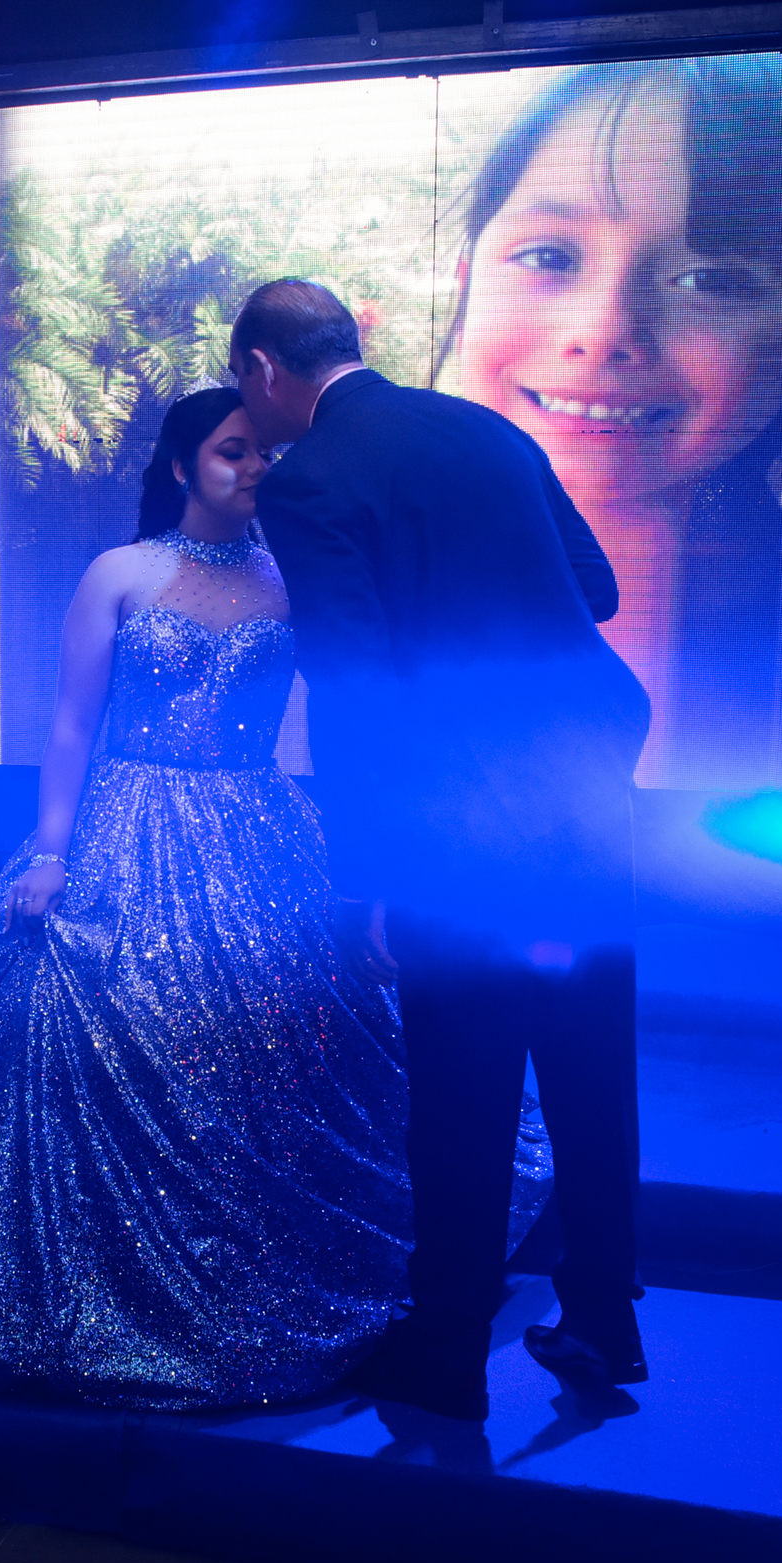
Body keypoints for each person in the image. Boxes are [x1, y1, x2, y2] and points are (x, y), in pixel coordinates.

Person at [0, 388, 418, 1407]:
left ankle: (250, 1272)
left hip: (257, 828)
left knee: (273, 1045)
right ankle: (56, 1288)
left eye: (265, 454)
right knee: (60, 1024)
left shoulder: (294, 578)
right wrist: (52, 855)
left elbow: (358, 711)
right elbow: (72, 724)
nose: (255, 469)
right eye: (233, 451)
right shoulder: (119, 572)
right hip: (122, 823)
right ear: (180, 464)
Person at [232, 279, 651, 1422]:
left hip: (456, 830)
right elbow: (599, 590)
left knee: (463, 1088)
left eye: (242, 387)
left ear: (264, 368)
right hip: (581, 798)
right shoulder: (487, 428)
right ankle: (605, 1319)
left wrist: (366, 876)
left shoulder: (311, 478)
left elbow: (354, 687)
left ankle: (448, 1349)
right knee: (591, 1069)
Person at [443, 54, 782, 789]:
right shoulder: (337, 563)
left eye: (713, 280)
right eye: (548, 255)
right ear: (468, 277)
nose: (603, 330)